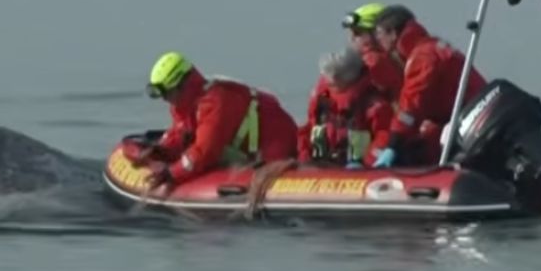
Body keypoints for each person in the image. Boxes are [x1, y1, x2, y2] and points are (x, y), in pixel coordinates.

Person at [138, 51, 298, 192]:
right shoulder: (184, 105)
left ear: (183, 85)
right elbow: (180, 133)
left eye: (169, 94)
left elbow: (204, 152)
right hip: (248, 147)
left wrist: (171, 174)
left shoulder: (214, 103)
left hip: (275, 143)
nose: (167, 100)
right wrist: (160, 151)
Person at [371, 5, 488, 167]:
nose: (378, 42)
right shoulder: (431, 47)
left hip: (466, 121)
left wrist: (393, 145)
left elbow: (411, 105)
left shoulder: (422, 56)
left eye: (379, 34)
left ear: (392, 33)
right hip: (464, 118)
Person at [297, 46, 394, 168]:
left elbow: (384, 136)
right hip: (319, 167)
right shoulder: (320, 99)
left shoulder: (373, 105)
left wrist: (368, 162)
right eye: (329, 74)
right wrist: (304, 155)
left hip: (359, 170)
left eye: (337, 75)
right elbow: (308, 129)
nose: (333, 79)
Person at [339, 1, 403, 100]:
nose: (351, 39)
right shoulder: (398, 61)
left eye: (357, 33)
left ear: (377, 34)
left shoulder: (373, 63)